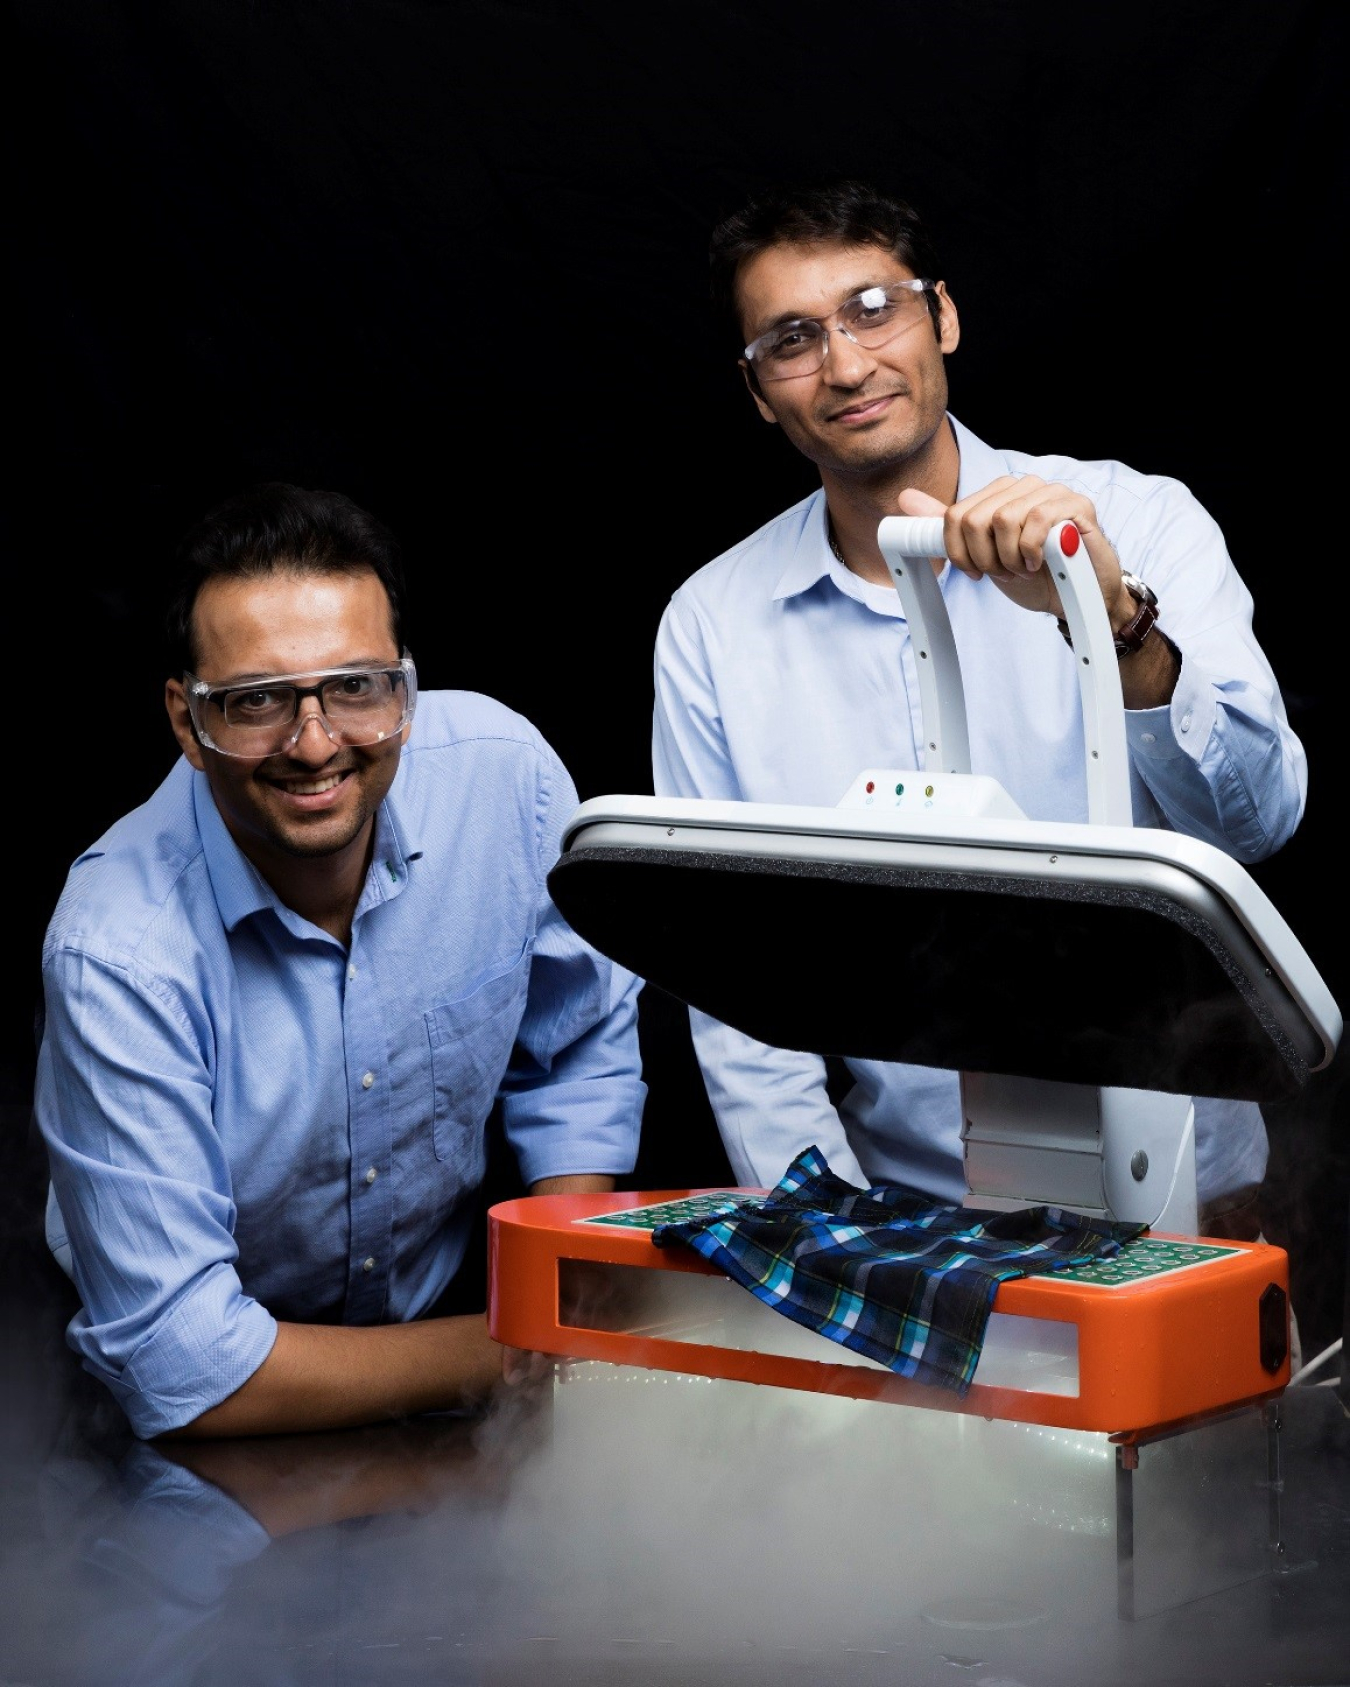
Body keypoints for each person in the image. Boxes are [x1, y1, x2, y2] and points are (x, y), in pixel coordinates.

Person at [652, 180, 1305, 1239]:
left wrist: (1110, 614)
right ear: (759, 391)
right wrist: (834, 1237)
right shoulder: (713, 627)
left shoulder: (1138, 518)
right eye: (792, 339)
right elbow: (741, 988)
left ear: (942, 317)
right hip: (901, 1215)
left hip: (1195, 1190)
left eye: (875, 308)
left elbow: (1257, 821)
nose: (847, 364)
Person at [36, 482, 645, 1439]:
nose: (315, 744)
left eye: (356, 687)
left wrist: (559, 1279)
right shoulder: (115, 950)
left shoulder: (507, 777)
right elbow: (181, 1361)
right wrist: (519, 1347)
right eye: (256, 702)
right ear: (185, 721)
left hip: (461, 1344)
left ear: (402, 682)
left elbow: (576, 1044)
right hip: (213, 1418)